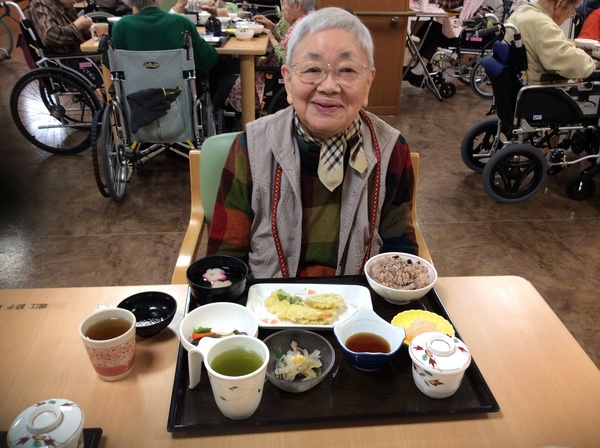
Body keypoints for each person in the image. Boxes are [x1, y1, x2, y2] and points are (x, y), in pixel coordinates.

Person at [206, 7, 419, 278]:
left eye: (347, 70)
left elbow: (402, 263)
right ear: (288, 80)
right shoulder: (250, 148)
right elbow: (224, 264)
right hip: (270, 302)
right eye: (313, 69)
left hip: (357, 303)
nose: (329, 86)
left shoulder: (392, 151)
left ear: (368, 82)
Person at [226, 0, 316, 113]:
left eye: (284, 4)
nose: (282, 8)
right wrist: (272, 28)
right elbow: (286, 44)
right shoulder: (307, 21)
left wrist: (271, 37)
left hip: (274, 74)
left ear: (297, 5)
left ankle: (222, 114)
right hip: (273, 70)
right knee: (231, 64)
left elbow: (287, 61)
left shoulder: (303, 28)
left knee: (228, 82)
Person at [109, 0, 218, 80]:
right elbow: (208, 60)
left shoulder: (121, 26)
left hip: (134, 98)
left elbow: (110, 62)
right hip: (178, 96)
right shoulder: (181, 23)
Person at [405, 0, 503, 86]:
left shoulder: (492, 1)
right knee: (429, 26)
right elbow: (454, 4)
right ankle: (421, 65)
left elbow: (480, 20)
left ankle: (420, 69)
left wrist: (458, 19)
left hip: (477, 37)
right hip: (469, 32)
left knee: (434, 29)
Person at [507, 0, 600, 84]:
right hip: (541, 90)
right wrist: (593, 63)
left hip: (517, 84)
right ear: (560, 3)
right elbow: (574, 64)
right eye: (572, 11)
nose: (569, 16)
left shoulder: (521, 12)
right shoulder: (542, 24)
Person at [29, 0, 93, 53]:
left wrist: (91, 30)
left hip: (83, 53)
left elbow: (78, 32)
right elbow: (49, 36)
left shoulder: (66, 4)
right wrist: (77, 25)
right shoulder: (40, 4)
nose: (75, 1)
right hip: (69, 59)